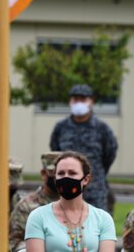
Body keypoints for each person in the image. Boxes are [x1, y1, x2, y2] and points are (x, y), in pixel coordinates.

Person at [50, 83, 118, 212]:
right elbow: (56, 153)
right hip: (67, 189)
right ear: (70, 102)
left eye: (83, 99)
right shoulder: (61, 128)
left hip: (95, 191)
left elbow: (110, 154)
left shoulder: (102, 128)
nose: (79, 102)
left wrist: (96, 172)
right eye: (75, 99)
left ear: (91, 101)